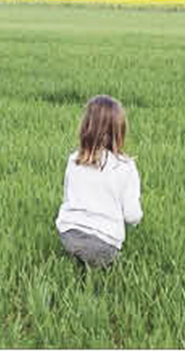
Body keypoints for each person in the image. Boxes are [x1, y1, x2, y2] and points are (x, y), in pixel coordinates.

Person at [56, 95, 143, 267]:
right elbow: (132, 215)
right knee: (115, 262)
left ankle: (77, 257)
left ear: (86, 127)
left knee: (79, 255)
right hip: (104, 244)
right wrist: (137, 219)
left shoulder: (75, 160)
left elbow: (67, 198)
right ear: (119, 131)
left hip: (68, 234)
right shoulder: (125, 167)